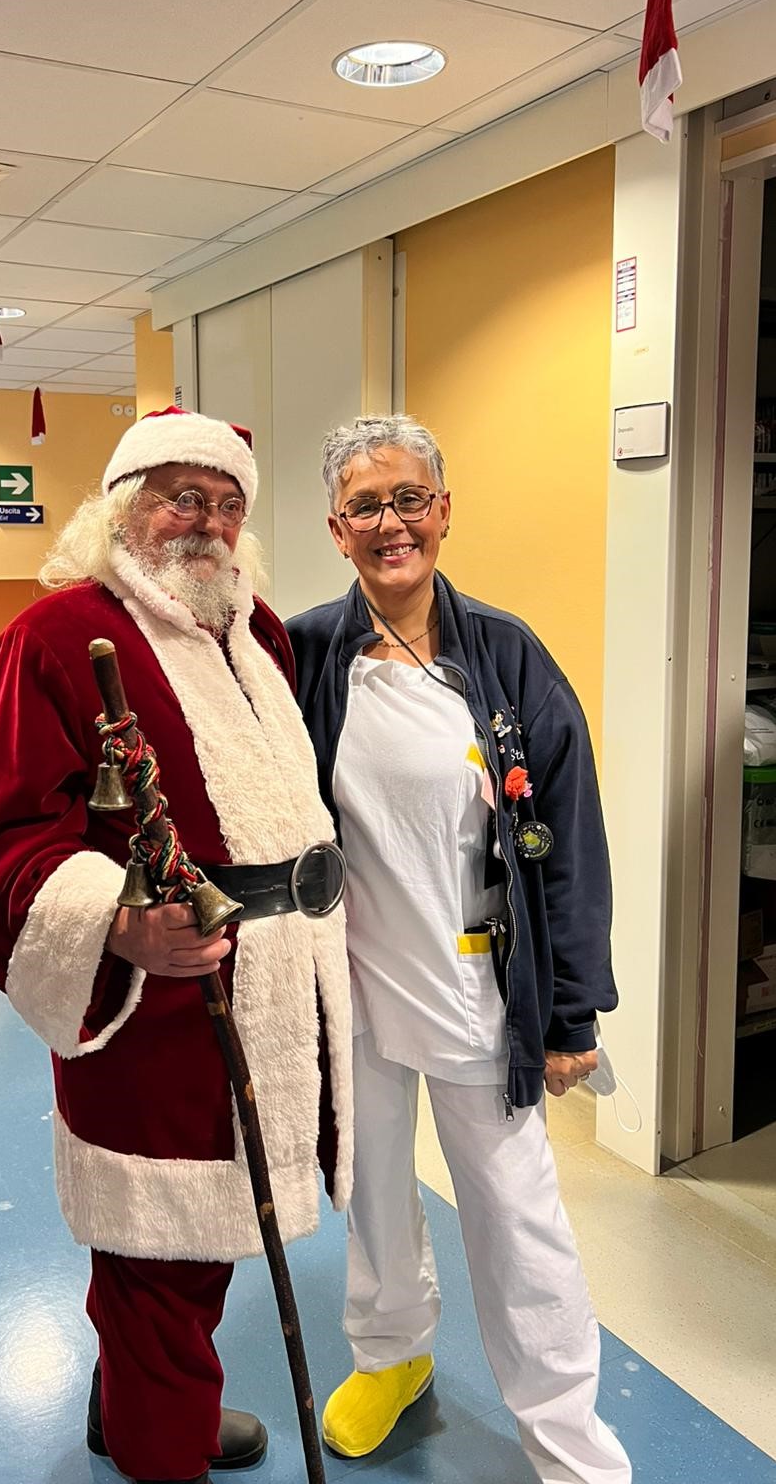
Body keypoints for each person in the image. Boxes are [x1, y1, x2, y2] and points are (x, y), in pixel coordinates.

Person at [0, 407, 352, 1484]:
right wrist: (119, 923)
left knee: (211, 1231)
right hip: (155, 1001)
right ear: (120, 509)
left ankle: (132, 1404)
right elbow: (10, 840)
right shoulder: (53, 639)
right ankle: (160, 1444)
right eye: (182, 497)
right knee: (155, 1255)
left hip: (268, 982)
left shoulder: (255, 630)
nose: (207, 523)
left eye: (226, 503)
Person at [286, 416, 631, 1484]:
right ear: (335, 528)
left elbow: (567, 840)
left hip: (479, 992)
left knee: (517, 1219)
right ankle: (389, 1353)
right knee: (372, 1192)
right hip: (353, 987)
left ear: (442, 510)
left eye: (408, 499)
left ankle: (566, 1437)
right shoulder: (306, 653)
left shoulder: (505, 655)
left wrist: (571, 1011)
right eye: (364, 505)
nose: (390, 523)